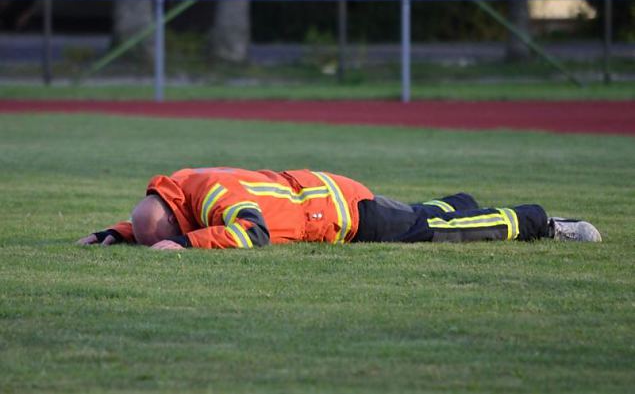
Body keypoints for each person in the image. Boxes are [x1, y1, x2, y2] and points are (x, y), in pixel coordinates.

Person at [78, 167, 601, 251]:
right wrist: (119, 233)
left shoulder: (215, 200)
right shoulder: (180, 190)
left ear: (175, 217)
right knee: (428, 216)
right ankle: (457, 200)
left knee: (444, 233)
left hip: (343, 214)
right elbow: (158, 222)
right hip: (330, 194)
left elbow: (251, 234)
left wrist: (187, 245)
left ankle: (540, 222)